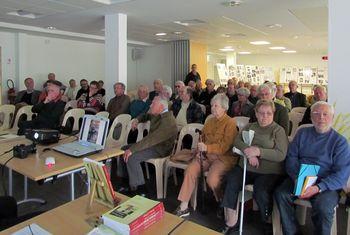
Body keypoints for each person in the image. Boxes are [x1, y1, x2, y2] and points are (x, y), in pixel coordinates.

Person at [274, 101, 350, 235]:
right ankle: (291, 232)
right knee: (281, 194)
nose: (321, 118)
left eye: (325, 114)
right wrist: (296, 178)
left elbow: (341, 174)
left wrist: (318, 187)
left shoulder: (340, 142)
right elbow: (291, 158)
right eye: (317, 114)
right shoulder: (302, 133)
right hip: (300, 177)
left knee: (323, 207)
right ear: (311, 116)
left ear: (332, 118)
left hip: (325, 184)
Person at [222, 100, 288, 234]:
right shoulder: (250, 126)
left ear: (273, 114)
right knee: (230, 180)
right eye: (261, 113)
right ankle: (231, 222)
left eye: (269, 113)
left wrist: (259, 152)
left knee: (261, 191)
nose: (265, 116)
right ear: (256, 114)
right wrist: (249, 152)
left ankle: (267, 220)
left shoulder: (278, 130)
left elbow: (281, 154)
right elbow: (237, 140)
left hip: (269, 172)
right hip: (246, 167)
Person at [175, 94, 238, 217]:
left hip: (223, 158)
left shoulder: (230, 123)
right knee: (190, 170)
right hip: (206, 156)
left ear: (224, 108)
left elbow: (225, 147)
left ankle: (221, 201)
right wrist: (200, 150)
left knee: (212, 179)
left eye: (216, 106)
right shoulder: (209, 121)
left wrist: (207, 148)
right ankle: (183, 206)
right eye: (212, 105)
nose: (213, 108)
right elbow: (201, 138)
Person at [119, 97, 178, 195]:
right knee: (123, 149)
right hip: (153, 145)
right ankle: (126, 182)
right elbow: (145, 116)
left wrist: (132, 150)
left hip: (161, 149)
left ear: (161, 107)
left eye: (153, 104)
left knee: (132, 156)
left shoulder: (168, 121)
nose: (150, 105)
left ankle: (141, 189)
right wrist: (137, 120)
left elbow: (151, 139)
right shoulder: (158, 114)